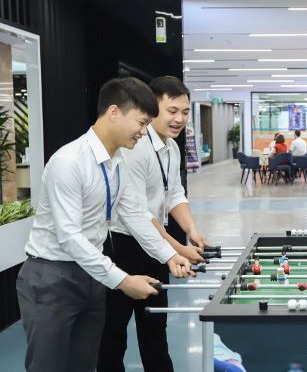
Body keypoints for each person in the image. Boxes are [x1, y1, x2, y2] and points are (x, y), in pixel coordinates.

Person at [16, 77, 192, 372]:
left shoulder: (118, 161)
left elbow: (134, 214)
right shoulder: (69, 162)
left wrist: (169, 255)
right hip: (53, 277)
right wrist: (122, 280)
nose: (144, 131)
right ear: (114, 112)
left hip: (92, 274)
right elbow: (69, 236)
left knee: (86, 364)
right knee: (49, 366)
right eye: (141, 122)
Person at [98, 76, 244, 372]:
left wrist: (191, 231)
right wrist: (177, 249)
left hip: (155, 245)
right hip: (123, 246)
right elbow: (137, 213)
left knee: (155, 325)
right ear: (152, 109)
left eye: (185, 112)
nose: (179, 119)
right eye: (172, 111)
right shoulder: (135, 148)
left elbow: (174, 193)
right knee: (113, 331)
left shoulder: (172, 148)